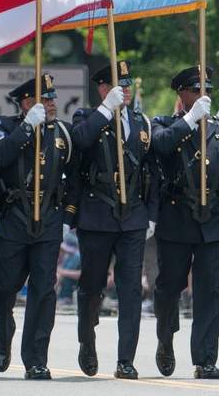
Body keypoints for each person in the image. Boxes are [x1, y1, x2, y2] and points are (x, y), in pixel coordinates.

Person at [151, 66, 219, 379]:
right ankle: (166, 338)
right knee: (169, 288)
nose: (203, 95)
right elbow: (160, 146)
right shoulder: (166, 124)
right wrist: (190, 120)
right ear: (182, 94)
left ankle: (205, 358)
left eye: (207, 89)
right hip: (177, 218)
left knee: (210, 292)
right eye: (196, 90)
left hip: (215, 220)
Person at [66, 60, 158, 380]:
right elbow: (79, 140)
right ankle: (87, 341)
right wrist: (106, 109)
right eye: (119, 85)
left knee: (131, 289)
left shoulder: (141, 122)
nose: (126, 90)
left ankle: (125, 359)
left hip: (132, 214)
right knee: (92, 285)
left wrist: (152, 214)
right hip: (97, 212)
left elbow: (152, 170)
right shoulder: (88, 117)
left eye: (129, 84)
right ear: (103, 88)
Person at [0, 73, 77, 380]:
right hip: (14, 216)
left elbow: (75, 179)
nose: (52, 104)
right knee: (4, 287)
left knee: (44, 290)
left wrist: (68, 217)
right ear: (27, 102)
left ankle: (36, 358)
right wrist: (28, 127)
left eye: (53, 99)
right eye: (45, 99)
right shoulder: (5, 126)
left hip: (49, 217)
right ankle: (4, 327)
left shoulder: (62, 134)